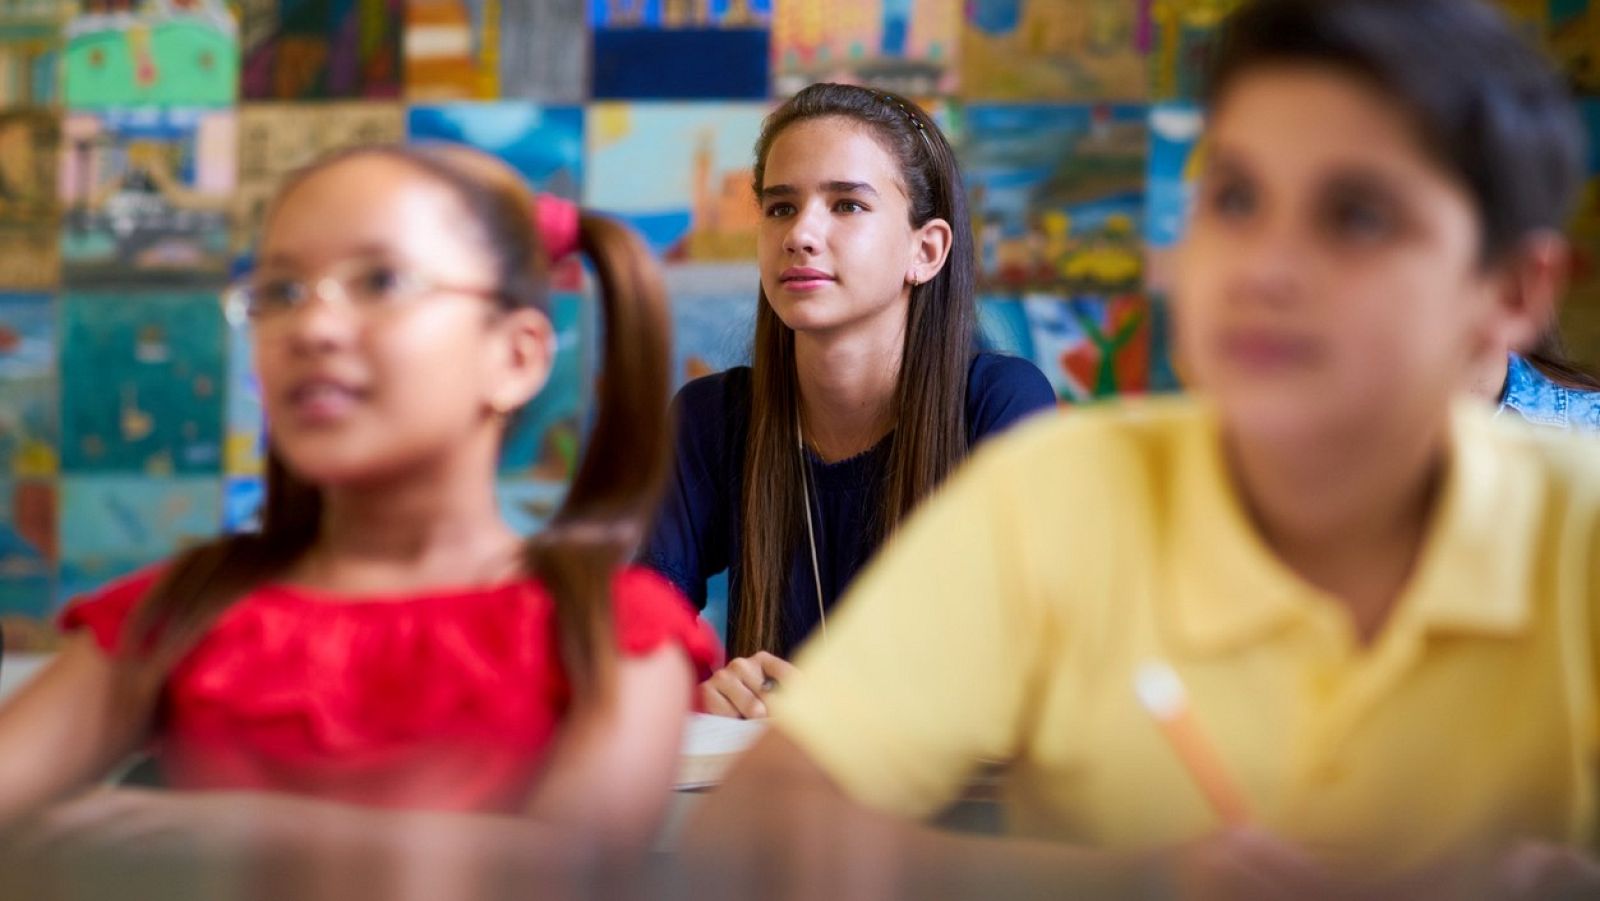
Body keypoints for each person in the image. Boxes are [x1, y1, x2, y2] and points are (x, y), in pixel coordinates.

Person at [686, 1, 1600, 898]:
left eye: (1356, 216)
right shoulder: (1057, 493)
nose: (1263, 264)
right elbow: (760, 827)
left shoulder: (1580, 525)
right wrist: (1141, 878)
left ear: (1515, 290)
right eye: (1236, 198)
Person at [0, 143, 718, 887]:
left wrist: (241, 838)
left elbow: (564, 874)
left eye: (381, 281)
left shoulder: (610, 628)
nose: (310, 327)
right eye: (279, 292)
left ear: (516, 356)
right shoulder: (188, 604)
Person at [640, 83, 1055, 719]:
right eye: (780, 208)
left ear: (927, 249)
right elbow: (638, 631)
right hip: (772, 800)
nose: (802, 234)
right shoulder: (710, 418)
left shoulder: (998, 403)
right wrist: (692, 691)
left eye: (846, 206)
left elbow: (1038, 661)